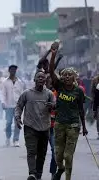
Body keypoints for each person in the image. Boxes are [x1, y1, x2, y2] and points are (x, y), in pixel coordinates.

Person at [48, 42, 88, 180]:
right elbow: (51, 70)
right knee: (58, 155)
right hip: (59, 124)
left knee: (68, 155)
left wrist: (84, 126)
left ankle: (68, 178)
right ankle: (61, 169)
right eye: (64, 75)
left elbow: (81, 109)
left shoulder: (79, 91)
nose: (66, 77)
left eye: (69, 75)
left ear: (74, 78)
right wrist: (53, 55)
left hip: (73, 125)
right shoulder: (59, 86)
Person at [15, 71, 55, 180]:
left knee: (42, 154)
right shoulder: (27, 93)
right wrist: (17, 118)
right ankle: (32, 173)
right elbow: (19, 106)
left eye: (43, 77)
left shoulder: (49, 94)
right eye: (39, 77)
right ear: (34, 79)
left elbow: (55, 107)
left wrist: (52, 106)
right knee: (32, 151)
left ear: (45, 80)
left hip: (45, 128)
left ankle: (38, 175)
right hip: (30, 127)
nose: (41, 79)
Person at [0, 65, 25, 147]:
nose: (13, 71)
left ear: (16, 71)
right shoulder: (5, 82)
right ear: (9, 71)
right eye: (11, 69)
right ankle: (8, 137)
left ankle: (16, 139)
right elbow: (3, 93)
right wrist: (3, 102)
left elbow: (22, 94)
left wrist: (23, 104)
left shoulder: (20, 82)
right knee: (8, 122)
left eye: (14, 69)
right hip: (8, 106)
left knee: (17, 123)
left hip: (18, 106)